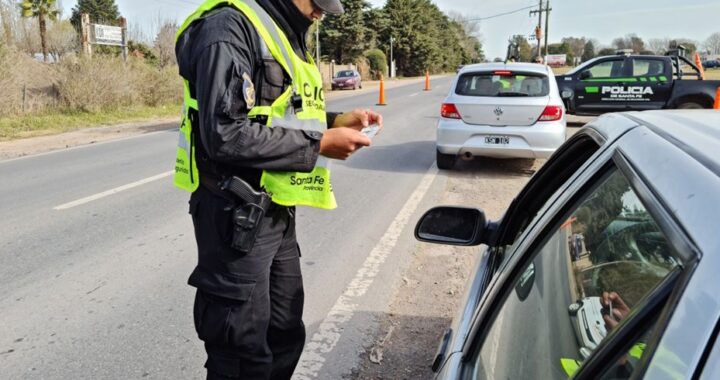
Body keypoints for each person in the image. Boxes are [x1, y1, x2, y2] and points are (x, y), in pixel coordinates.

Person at [173, 0, 383, 378]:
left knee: (284, 333)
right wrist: (319, 145)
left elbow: (280, 111)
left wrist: (337, 120)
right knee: (242, 353)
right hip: (233, 215)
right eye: (317, 3)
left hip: (275, 212)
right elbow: (225, 134)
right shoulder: (228, 28)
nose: (321, 14)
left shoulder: (281, 31)